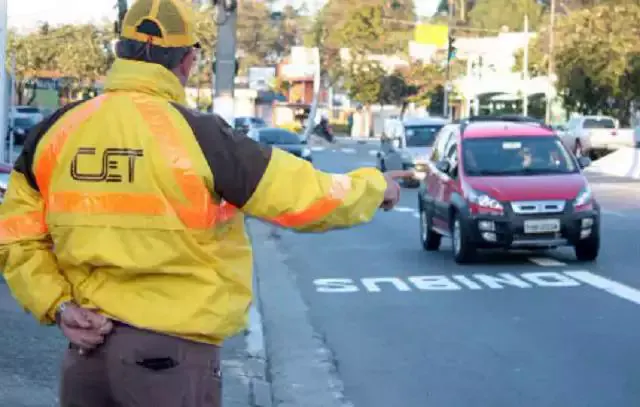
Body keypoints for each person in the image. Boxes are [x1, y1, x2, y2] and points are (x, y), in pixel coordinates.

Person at [0, 1, 411, 407]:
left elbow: (15, 238)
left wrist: (58, 305)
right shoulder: (199, 136)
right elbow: (305, 197)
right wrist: (376, 188)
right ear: (188, 60)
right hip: (169, 362)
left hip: (86, 356)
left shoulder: (54, 133)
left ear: (119, 51)